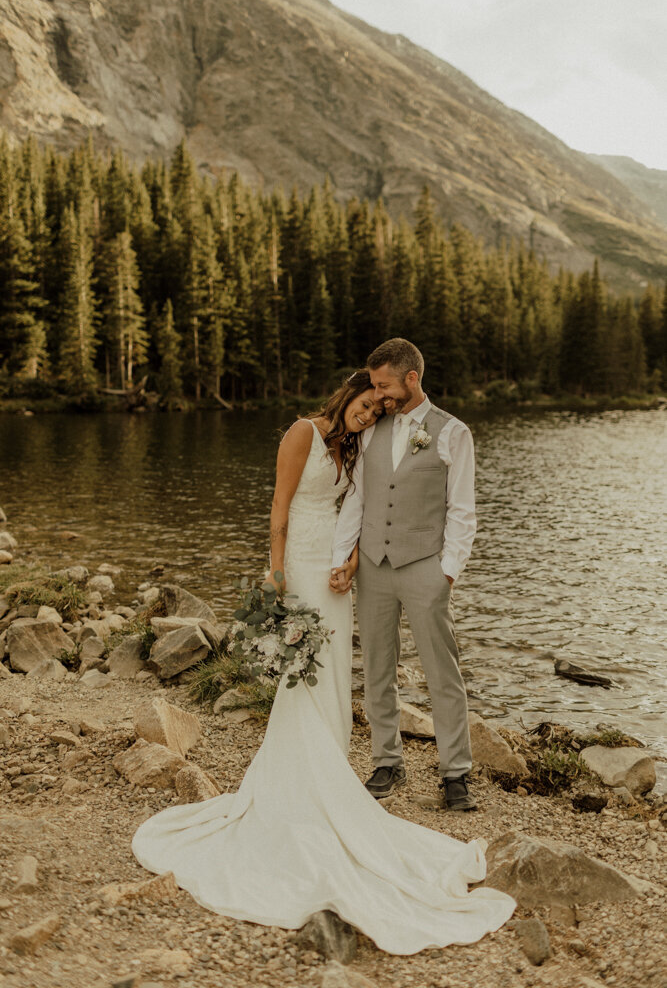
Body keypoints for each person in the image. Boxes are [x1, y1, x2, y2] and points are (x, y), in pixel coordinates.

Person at [132, 369, 514, 955]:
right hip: (300, 568)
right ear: (348, 397)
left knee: (337, 672)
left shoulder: (374, 442)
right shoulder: (303, 434)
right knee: (310, 673)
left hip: (340, 575)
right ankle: (320, 778)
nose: (370, 412)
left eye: (376, 405)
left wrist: (358, 560)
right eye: (365, 402)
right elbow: (280, 505)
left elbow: (364, 507)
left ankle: (397, 771)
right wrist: (276, 571)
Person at [330, 338, 477, 810]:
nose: (379, 396)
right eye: (375, 387)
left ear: (412, 379)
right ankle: (386, 760)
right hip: (373, 565)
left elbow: (462, 511)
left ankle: (455, 773)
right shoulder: (374, 429)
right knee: (376, 667)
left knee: (442, 672)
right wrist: (343, 556)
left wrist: (447, 574)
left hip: (424, 568)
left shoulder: (453, 433)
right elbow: (358, 497)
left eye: (385, 386)